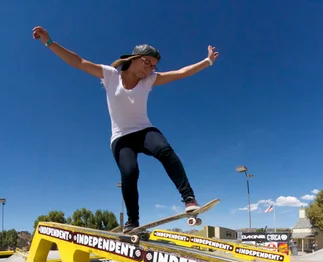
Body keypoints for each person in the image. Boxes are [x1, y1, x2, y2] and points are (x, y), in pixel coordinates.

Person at [32, 26, 219, 232]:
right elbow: (79, 62)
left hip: (144, 130)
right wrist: (49, 42)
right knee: (130, 172)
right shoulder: (111, 75)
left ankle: (189, 199)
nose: (148, 69)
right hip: (121, 137)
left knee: (165, 151)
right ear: (134, 58)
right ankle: (132, 221)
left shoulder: (149, 80)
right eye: (146, 62)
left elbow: (181, 73)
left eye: (153, 66)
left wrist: (207, 61)